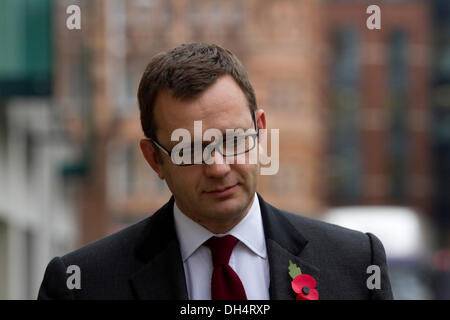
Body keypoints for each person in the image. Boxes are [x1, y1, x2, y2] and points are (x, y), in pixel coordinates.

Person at [38, 42, 393, 300]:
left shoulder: (357, 266)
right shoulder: (81, 285)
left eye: (234, 139)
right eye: (191, 149)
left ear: (261, 131)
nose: (219, 167)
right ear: (154, 159)